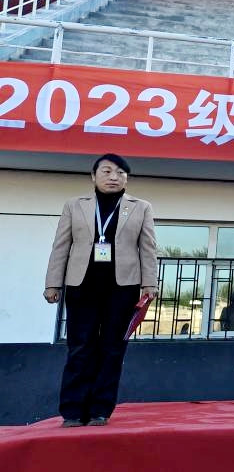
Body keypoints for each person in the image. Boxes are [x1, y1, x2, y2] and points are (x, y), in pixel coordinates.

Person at [44, 154, 159, 428]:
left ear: (126, 179)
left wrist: (150, 284)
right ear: (93, 176)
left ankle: (100, 410)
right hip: (82, 286)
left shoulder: (141, 207)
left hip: (122, 288)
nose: (113, 177)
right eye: (106, 171)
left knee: (112, 348)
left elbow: (148, 248)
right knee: (80, 347)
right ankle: (73, 410)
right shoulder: (75, 205)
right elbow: (61, 245)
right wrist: (52, 283)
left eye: (120, 173)